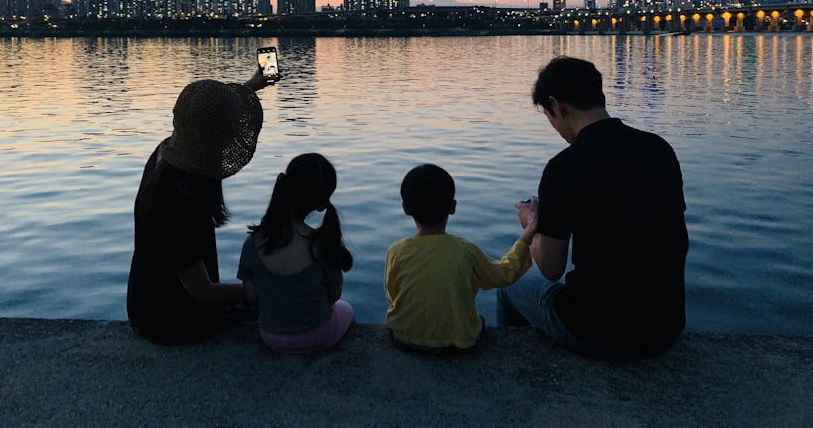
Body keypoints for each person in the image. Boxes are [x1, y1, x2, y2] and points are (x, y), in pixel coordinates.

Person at [497, 56, 689, 359]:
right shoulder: (659, 149)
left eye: (549, 116)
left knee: (508, 288)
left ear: (556, 106)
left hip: (598, 331)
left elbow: (550, 268)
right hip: (666, 327)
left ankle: (519, 365)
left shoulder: (564, 167)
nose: (555, 127)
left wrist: (533, 223)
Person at [126, 68, 273, 345]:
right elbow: (203, 292)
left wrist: (251, 86)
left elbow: (206, 120)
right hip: (170, 321)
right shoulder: (178, 205)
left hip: (144, 301)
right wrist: (255, 290)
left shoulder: (164, 155)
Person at [384, 164, 537, 351]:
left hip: (404, 338)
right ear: (453, 207)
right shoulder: (465, 250)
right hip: (458, 342)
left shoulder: (396, 251)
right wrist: (527, 235)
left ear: (405, 208)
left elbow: (393, 294)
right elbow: (503, 275)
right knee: (478, 321)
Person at [237, 153, 355, 354]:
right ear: (321, 205)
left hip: (270, 337)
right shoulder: (321, 244)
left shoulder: (253, 242)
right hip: (318, 337)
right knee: (346, 309)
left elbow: (253, 297)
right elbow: (334, 295)